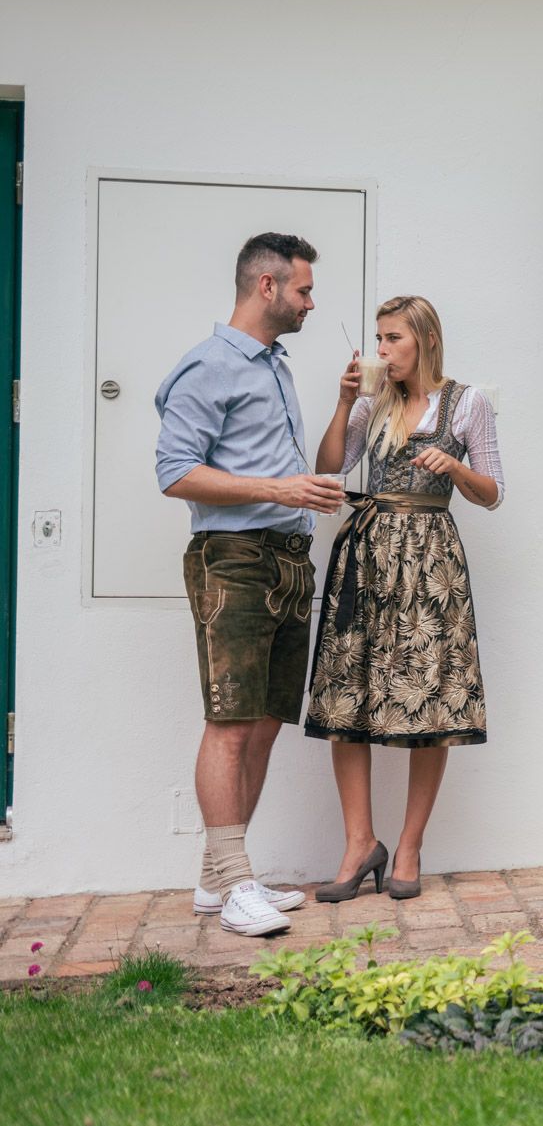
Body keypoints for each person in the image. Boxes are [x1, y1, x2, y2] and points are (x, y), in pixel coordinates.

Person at [155, 232, 346, 937]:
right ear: (266, 286)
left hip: (287, 560)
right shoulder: (207, 366)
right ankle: (236, 885)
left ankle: (220, 879)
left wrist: (300, 496)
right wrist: (279, 486)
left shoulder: (274, 365)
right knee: (230, 722)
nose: (310, 301)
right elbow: (175, 471)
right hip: (233, 558)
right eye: (303, 289)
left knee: (265, 723)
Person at [305, 295, 503, 901]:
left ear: (424, 340)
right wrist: (343, 405)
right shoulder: (372, 402)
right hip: (365, 559)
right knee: (347, 698)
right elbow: (331, 469)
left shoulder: (469, 403)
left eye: (392, 339)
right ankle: (359, 842)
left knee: (430, 703)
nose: (382, 350)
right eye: (379, 338)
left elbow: (493, 493)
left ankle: (410, 845)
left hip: (430, 563)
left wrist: (456, 467)